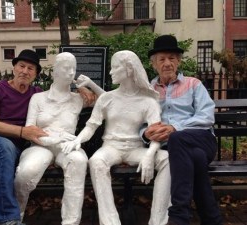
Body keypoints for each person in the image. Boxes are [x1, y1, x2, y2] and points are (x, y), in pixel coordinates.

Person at [0, 49, 95, 225]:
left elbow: (65, 93)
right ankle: (8, 218)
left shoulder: (36, 94)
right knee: (4, 146)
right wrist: (22, 132)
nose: (25, 71)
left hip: (8, 153)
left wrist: (80, 86)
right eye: (21, 66)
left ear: (35, 74)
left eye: (30, 68)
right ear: (14, 68)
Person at [62, 50, 171, 225]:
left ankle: (157, 221)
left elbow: (156, 132)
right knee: (96, 161)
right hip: (111, 148)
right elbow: (91, 126)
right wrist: (77, 140)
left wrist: (150, 155)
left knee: (166, 159)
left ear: (128, 69)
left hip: (136, 149)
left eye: (114, 68)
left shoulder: (148, 101)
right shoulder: (107, 98)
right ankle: (110, 221)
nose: (111, 72)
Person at [14, 52, 104, 225]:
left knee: (78, 161)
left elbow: (108, 100)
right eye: (66, 68)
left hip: (67, 146)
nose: (71, 73)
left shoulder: (79, 98)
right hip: (40, 145)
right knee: (26, 171)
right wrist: (55, 138)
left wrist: (90, 85)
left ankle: (71, 222)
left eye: (74, 69)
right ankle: (15, 216)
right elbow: (30, 130)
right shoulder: (38, 98)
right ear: (54, 71)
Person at [142, 35, 223, 225]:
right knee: (195, 158)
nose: (167, 63)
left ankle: (179, 216)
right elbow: (140, 121)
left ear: (178, 61)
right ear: (154, 64)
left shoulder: (193, 84)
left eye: (172, 58)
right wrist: (145, 134)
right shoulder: (149, 90)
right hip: (178, 150)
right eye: (162, 59)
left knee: (178, 138)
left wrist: (175, 128)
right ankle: (212, 219)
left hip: (201, 139)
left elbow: (206, 116)